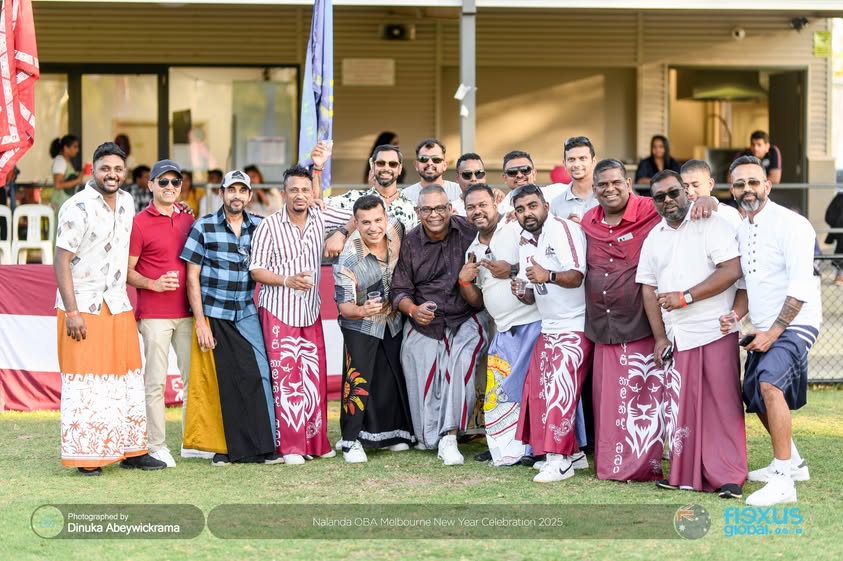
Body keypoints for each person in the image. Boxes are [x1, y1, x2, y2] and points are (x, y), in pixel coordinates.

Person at [580, 159, 717, 482]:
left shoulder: (651, 207)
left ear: (628, 184)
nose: (610, 189)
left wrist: (709, 200)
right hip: (604, 326)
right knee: (612, 402)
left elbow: (681, 207)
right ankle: (614, 466)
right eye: (603, 185)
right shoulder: (588, 220)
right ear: (595, 189)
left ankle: (649, 465)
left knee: (648, 401)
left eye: (616, 182)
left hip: (644, 324)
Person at [54, 141, 165, 475]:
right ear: (92, 170)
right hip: (83, 306)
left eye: (118, 169)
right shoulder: (77, 207)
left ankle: (132, 451)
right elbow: (61, 260)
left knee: (125, 378)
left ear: (124, 171)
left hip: (117, 303)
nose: (112, 174)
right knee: (87, 382)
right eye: (105, 168)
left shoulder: (128, 202)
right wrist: (72, 312)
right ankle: (87, 458)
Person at [636, 169, 746, 498]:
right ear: (653, 201)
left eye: (674, 193)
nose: (669, 200)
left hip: (713, 329)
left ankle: (728, 475)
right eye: (660, 197)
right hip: (678, 336)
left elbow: (731, 270)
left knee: (722, 405)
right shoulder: (654, 237)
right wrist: (659, 337)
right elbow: (648, 289)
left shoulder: (711, 223)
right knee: (682, 407)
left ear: (686, 191)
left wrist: (686, 296)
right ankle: (685, 475)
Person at [725, 155, 821, 507]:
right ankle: (794, 462)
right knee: (752, 391)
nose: (747, 189)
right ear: (732, 189)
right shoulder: (740, 227)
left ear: (767, 185)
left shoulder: (792, 224)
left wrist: (774, 332)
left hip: (796, 323)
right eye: (740, 184)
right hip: (764, 325)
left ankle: (784, 481)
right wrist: (736, 318)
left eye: (753, 182)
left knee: (768, 383)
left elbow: (800, 288)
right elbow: (747, 286)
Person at [249, 165, 353, 464]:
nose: (300, 195)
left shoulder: (321, 215)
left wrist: (341, 235)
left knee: (312, 377)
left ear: (313, 193)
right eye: (294, 190)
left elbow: (357, 214)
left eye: (306, 190)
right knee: (286, 379)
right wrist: (287, 280)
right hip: (279, 311)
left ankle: (316, 443)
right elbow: (256, 269)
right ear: (284, 193)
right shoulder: (269, 226)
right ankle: (291, 447)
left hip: (309, 312)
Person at [180, 169, 280, 466]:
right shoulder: (204, 226)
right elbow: (191, 277)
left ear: (250, 196)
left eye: (242, 190)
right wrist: (200, 321)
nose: (237, 195)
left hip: (246, 310)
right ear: (221, 193)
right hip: (215, 313)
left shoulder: (261, 226)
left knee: (259, 373)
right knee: (222, 382)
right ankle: (224, 449)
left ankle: (265, 446)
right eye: (231, 190)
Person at [392, 184, 489, 465]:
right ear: (417, 212)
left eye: (439, 208)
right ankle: (430, 434)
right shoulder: (411, 241)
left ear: (450, 208)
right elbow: (399, 290)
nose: (434, 214)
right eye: (426, 209)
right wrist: (412, 309)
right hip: (427, 320)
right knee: (414, 354)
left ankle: (449, 436)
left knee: (459, 359)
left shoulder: (469, 232)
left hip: (468, 314)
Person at [507, 185, 592, 483]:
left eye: (532, 206)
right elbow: (533, 294)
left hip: (576, 325)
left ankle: (560, 461)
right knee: (540, 391)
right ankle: (574, 454)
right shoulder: (526, 240)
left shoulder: (562, 229)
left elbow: (577, 276)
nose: (527, 213)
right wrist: (522, 291)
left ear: (545, 205)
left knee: (561, 389)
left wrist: (548, 276)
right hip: (549, 326)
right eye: (520, 209)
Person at [458, 184, 542, 466]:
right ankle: (509, 448)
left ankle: (536, 449)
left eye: (482, 204)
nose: (477, 211)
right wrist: (464, 281)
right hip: (503, 330)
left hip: (533, 323)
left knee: (533, 391)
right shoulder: (473, 249)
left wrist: (513, 270)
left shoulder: (517, 229)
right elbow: (477, 301)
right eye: (471, 207)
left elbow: (543, 263)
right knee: (506, 395)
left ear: (495, 203)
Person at [333, 195, 414, 462]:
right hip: (360, 322)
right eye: (365, 222)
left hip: (392, 319)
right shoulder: (348, 257)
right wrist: (362, 310)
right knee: (357, 381)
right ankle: (350, 440)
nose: (373, 227)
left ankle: (392, 434)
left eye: (378, 220)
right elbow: (344, 306)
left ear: (386, 218)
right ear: (356, 223)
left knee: (389, 376)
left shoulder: (397, 230)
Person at [127, 159, 195, 468]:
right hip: (154, 314)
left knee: (191, 380)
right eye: (163, 182)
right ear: (150, 185)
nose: (170, 187)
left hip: (187, 312)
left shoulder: (188, 219)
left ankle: (191, 441)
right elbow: (127, 271)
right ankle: (156, 445)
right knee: (155, 382)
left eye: (175, 182)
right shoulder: (139, 222)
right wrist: (153, 284)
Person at [326, 144, 418, 235]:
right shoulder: (354, 198)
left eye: (392, 164)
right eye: (380, 163)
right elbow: (320, 206)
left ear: (399, 169)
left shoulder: (410, 207)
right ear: (373, 166)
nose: (386, 168)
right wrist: (317, 168)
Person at [497, 150, 567, 213]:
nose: (519, 175)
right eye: (512, 172)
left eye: (525, 170)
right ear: (504, 178)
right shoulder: (498, 209)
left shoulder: (557, 192)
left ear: (534, 174)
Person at [549, 136, 599, 224]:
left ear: (594, 161)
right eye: (571, 159)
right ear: (564, 164)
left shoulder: (608, 195)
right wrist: (567, 227)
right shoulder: (556, 204)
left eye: (582, 158)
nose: (576, 164)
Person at [680, 159, 742, 228]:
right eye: (685, 186)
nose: (690, 192)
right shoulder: (677, 218)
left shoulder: (729, 215)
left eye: (695, 185)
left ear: (710, 184)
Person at [401, 138, 463, 205]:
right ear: (416, 165)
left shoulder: (459, 192)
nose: (430, 163)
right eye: (423, 159)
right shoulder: (405, 196)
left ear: (445, 165)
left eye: (436, 159)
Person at [47, 135, 87, 211]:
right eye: (75, 147)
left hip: (66, 202)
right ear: (66, 148)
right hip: (60, 203)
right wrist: (77, 181)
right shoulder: (60, 161)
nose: (77, 150)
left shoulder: (66, 161)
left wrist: (82, 173)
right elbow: (58, 184)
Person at [824, 186, 843, 284]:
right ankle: (840, 275)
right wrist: (838, 224)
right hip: (840, 233)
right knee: (840, 250)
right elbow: (829, 216)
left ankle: (840, 275)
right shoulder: (840, 198)